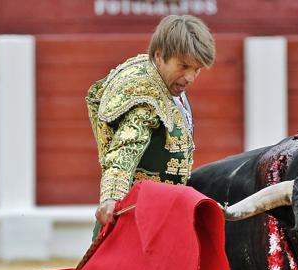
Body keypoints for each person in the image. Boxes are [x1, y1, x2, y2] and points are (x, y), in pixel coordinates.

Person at [86, 14, 215, 238]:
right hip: (130, 222)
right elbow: (126, 145)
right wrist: (112, 197)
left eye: (197, 69)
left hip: (157, 220)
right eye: (184, 66)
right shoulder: (144, 97)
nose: (191, 77)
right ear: (159, 56)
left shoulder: (165, 82)